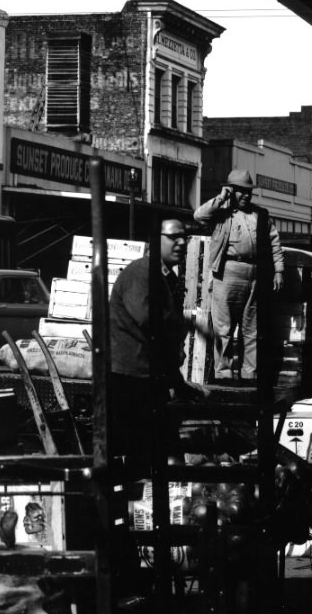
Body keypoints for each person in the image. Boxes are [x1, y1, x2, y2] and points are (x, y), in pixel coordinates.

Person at [109, 217, 205, 474]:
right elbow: (149, 320)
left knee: (165, 453)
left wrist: (178, 384)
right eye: (174, 237)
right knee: (144, 457)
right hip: (131, 379)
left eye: (184, 237)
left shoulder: (164, 277)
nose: (182, 243)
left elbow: (163, 343)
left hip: (150, 377)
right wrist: (183, 323)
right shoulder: (141, 272)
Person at [194, 169, 284, 382]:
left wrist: (279, 270)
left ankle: (249, 375)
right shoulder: (220, 212)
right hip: (226, 272)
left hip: (254, 273)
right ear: (231, 190)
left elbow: (275, 243)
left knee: (251, 328)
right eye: (240, 191)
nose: (245, 195)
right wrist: (222, 197)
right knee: (223, 328)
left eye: (248, 191)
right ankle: (224, 374)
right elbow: (199, 215)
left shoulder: (260, 215)